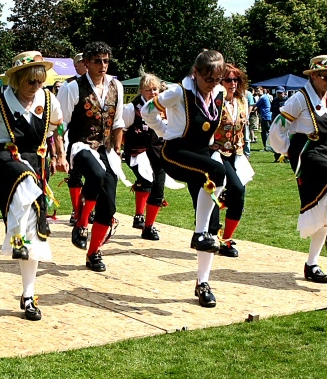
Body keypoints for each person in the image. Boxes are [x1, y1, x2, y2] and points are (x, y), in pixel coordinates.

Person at [0, 51, 66, 320]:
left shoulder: (49, 100)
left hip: (36, 162)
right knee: (25, 182)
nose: (36, 88)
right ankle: (16, 239)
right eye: (30, 82)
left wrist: (54, 150)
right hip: (4, 160)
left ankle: (28, 295)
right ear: (17, 81)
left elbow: (57, 126)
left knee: (34, 229)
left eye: (40, 82)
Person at [141, 49, 227, 308]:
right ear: (196, 73)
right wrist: (163, 130)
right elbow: (147, 110)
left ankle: (203, 283)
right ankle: (198, 233)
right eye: (208, 79)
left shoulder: (219, 94)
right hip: (175, 152)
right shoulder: (180, 91)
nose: (213, 85)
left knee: (214, 223)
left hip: (200, 156)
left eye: (217, 79)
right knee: (218, 173)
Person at [269, 54, 327, 284]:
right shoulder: (300, 98)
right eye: (324, 76)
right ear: (313, 75)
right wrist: (286, 149)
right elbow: (278, 126)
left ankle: (312, 264)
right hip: (307, 152)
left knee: (325, 205)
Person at [57, 41, 125, 273]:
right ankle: (81, 222)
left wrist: (117, 150)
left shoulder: (117, 87)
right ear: (85, 63)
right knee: (96, 174)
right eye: (97, 61)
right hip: (79, 144)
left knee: (109, 206)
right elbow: (60, 123)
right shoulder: (72, 88)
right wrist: (59, 154)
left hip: (105, 149)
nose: (103, 65)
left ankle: (94, 252)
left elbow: (118, 123)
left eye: (106, 60)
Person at [209, 64, 253, 258]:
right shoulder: (214, 101)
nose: (233, 84)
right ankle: (212, 232)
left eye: (236, 80)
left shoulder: (242, 100)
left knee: (238, 196)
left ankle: (226, 238)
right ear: (220, 82)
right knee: (236, 189)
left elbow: (242, 127)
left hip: (237, 152)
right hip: (217, 152)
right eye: (228, 80)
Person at [122, 73, 166, 240]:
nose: (152, 93)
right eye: (148, 90)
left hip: (158, 151)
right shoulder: (132, 108)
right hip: (137, 150)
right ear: (141, 90)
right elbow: (123, 130)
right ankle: (139, 216)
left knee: (159, 187)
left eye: (155, 89)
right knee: (147, 180)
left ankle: (148, 226)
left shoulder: (164, 106)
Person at [61, 52, 89, 224]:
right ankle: (76, 209)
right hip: (74, 135)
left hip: (94, 137)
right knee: (75, 175)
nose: (85, 65)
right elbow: (62, 115)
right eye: (82, 62)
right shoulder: (69, 84)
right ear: (76, 65)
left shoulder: (101, 83)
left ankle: (88, 210)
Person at [270, 86, 288, 161]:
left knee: (285, 139)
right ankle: (277, 157)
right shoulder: (275, 100)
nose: (279, 94)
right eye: (278, 93)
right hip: (276, 122)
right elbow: (273, 111)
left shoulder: (288, 100)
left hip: (286, 123)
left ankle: (286, 157)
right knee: (276, 139)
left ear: (284, 93)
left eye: (281, 93)